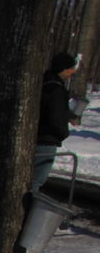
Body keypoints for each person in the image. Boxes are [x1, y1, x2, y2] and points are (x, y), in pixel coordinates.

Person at [32, 52, 79, 192]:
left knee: (33, 178)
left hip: (40, 136)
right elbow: (55, 116)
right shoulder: (56, 89)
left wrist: (69, 115)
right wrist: (63, 133)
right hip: (47, 139)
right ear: (63, 69)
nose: (73, 71)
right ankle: (28, 208)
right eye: (71, 68)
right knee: (37, 180)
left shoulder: (45, 84)